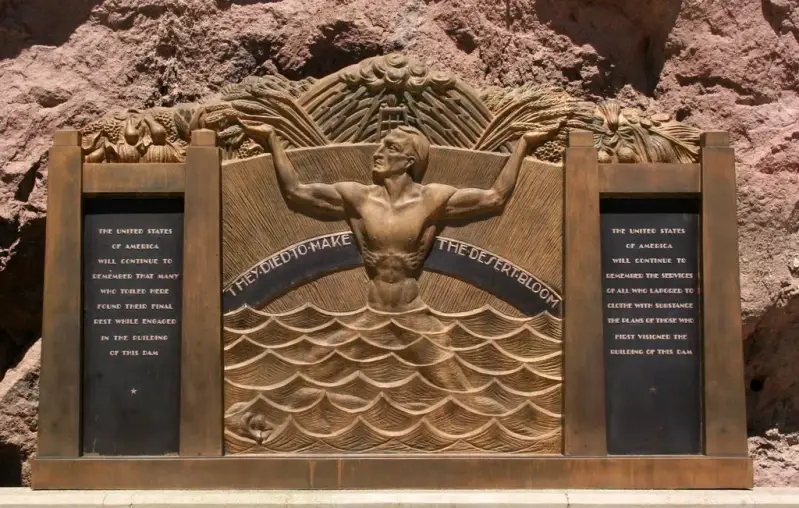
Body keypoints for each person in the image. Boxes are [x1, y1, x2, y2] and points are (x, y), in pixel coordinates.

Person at [241, 121, 561, 313]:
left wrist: (522, 145)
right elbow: (295, 192)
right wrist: (272, 140)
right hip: (372, 312)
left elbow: (495, 197)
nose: (378, 153)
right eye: (380, 146)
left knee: (457, 384)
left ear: (409, 160)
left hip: (413, 312)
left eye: (390, 148)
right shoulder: (358, 197)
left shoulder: (431, 200)